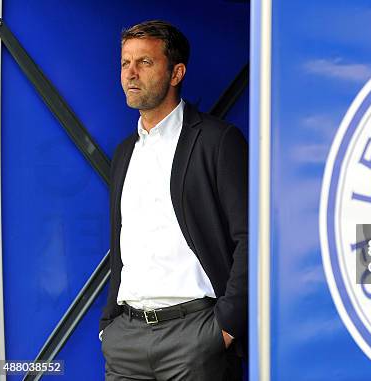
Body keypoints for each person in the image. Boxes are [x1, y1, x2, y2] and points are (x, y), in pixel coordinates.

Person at [99, 20, 247, 380]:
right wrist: (109, 326)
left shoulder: (217, 140)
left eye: (145, 63)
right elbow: (121, 244)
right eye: (125, 63)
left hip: (195, 337)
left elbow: (252, 237)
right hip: (125, 342)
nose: (130, 74)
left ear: (176, 72)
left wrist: (225, 326)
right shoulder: (124, 153)